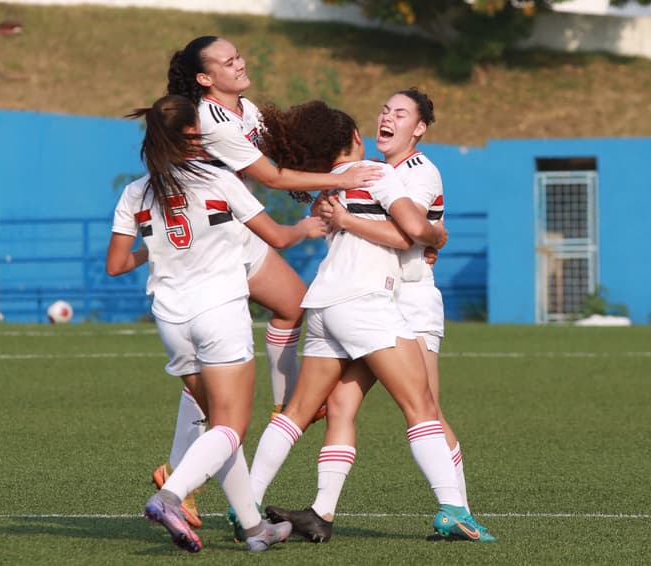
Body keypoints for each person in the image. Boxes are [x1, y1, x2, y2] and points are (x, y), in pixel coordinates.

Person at [152, 36, 383, 523]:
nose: (239, 63)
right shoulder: (210, 120)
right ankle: (180, 472)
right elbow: (274, 178)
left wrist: (322, 157)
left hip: (235, 231)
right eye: (227, 61)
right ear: (204, 78)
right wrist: (338, 179)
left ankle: (284, 401)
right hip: (213, 244)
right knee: (210, 383)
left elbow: (283, 163)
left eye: (238, 55)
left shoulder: (245, 109)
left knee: (293, 304)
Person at [241, 99, 483, 543]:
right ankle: (454, 510)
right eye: (384, 110)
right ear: (355, 136)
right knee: (421, 408)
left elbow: (388, 229)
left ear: (421, 128)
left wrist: (357, 220)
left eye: (400, 113)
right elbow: (411, 229)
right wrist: (435, 233)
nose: (387, 118)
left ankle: (251, 506)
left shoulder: (360, 179)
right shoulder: (377, 171)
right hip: (370, 303)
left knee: (306, 411)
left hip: (341, 302)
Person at [106, 94, 326, 552]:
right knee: (231, 429)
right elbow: (279, 238)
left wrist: (161, 245)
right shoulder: (218, 178)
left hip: (171, 320)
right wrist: (306, 228)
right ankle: (171, 494)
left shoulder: (135, 191)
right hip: (219, 311)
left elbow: (117, 264)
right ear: (192, 135)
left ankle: (254, 529)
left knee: (220, 431)